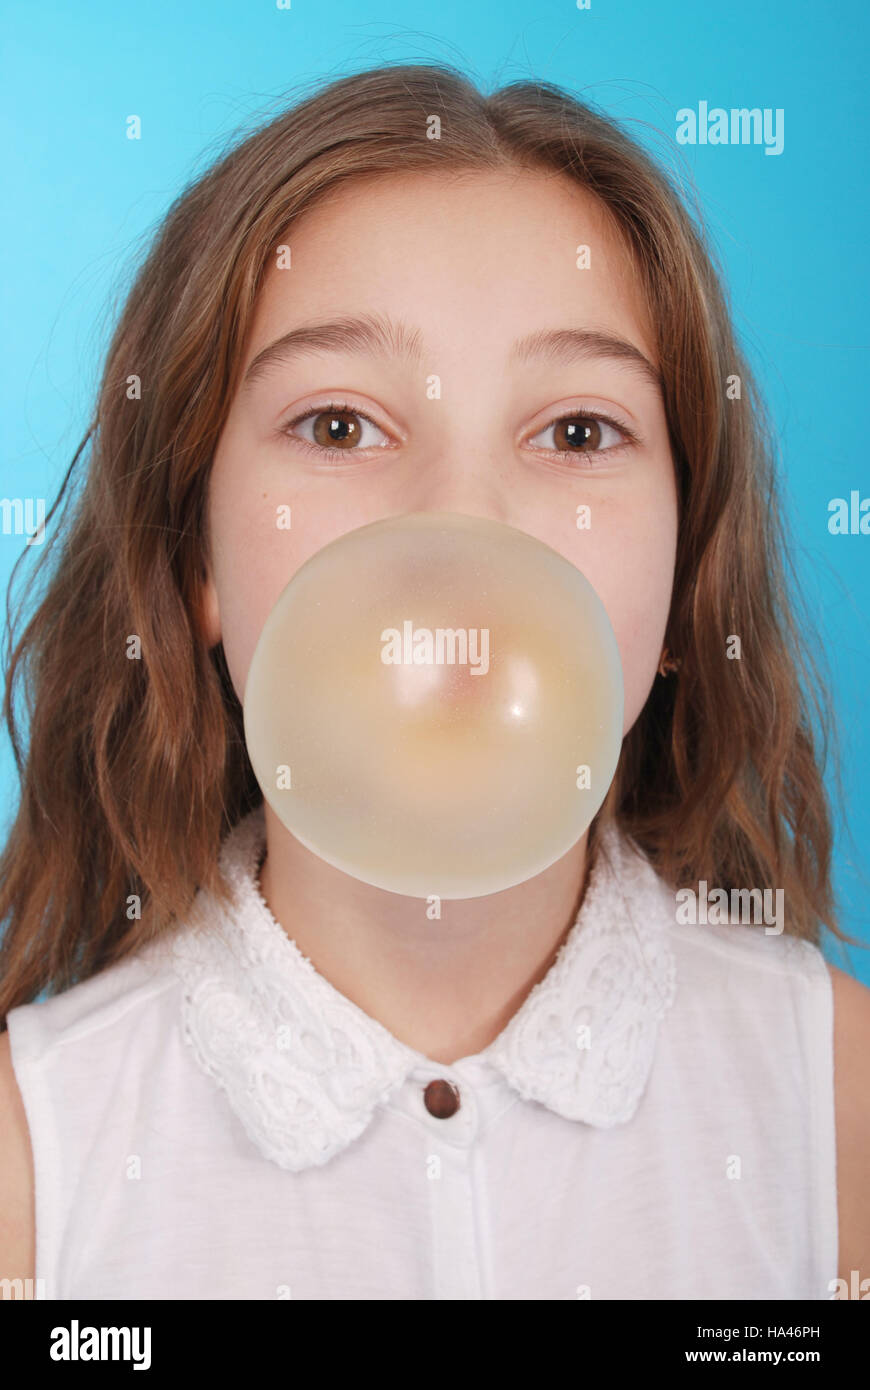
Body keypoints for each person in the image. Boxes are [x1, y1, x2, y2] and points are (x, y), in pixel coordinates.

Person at [0, 62, 867, 1300]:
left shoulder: (839, 1113)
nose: (463, 526)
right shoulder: (35, 1166)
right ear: (193, 552)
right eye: (341, 425)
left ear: (685, 585)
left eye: (577, 431)